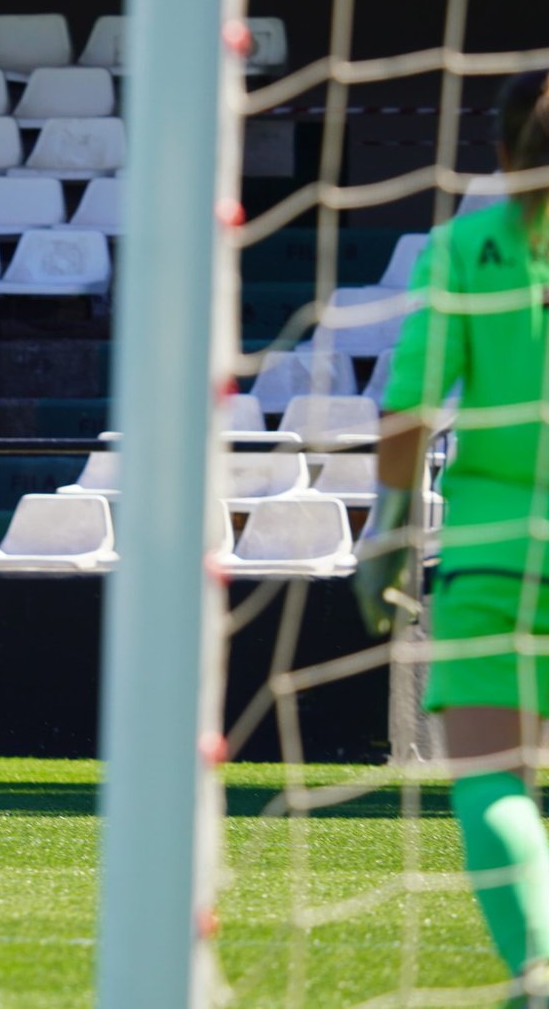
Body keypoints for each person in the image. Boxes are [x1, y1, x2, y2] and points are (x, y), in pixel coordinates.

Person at [354, 70, 549, 1000]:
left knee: (493, 779)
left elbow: (410, 411)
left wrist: (388, 530)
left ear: (502, 156)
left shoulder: (466, 247)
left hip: (495, 556)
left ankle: (538, 966)